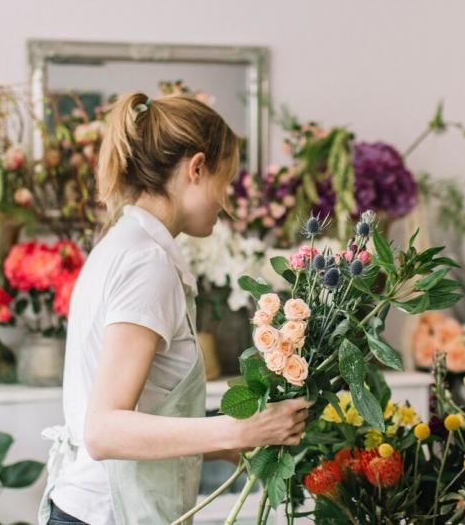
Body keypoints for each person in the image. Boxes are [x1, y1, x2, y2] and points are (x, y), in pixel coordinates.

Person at [37, 92, 310, 525]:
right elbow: (104, 431)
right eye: (226, 180)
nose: (226, 201)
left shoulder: (126, 243)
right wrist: (239, 429)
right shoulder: (147, 262)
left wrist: (227, 444)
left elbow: (142, 412)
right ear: (196, 168)